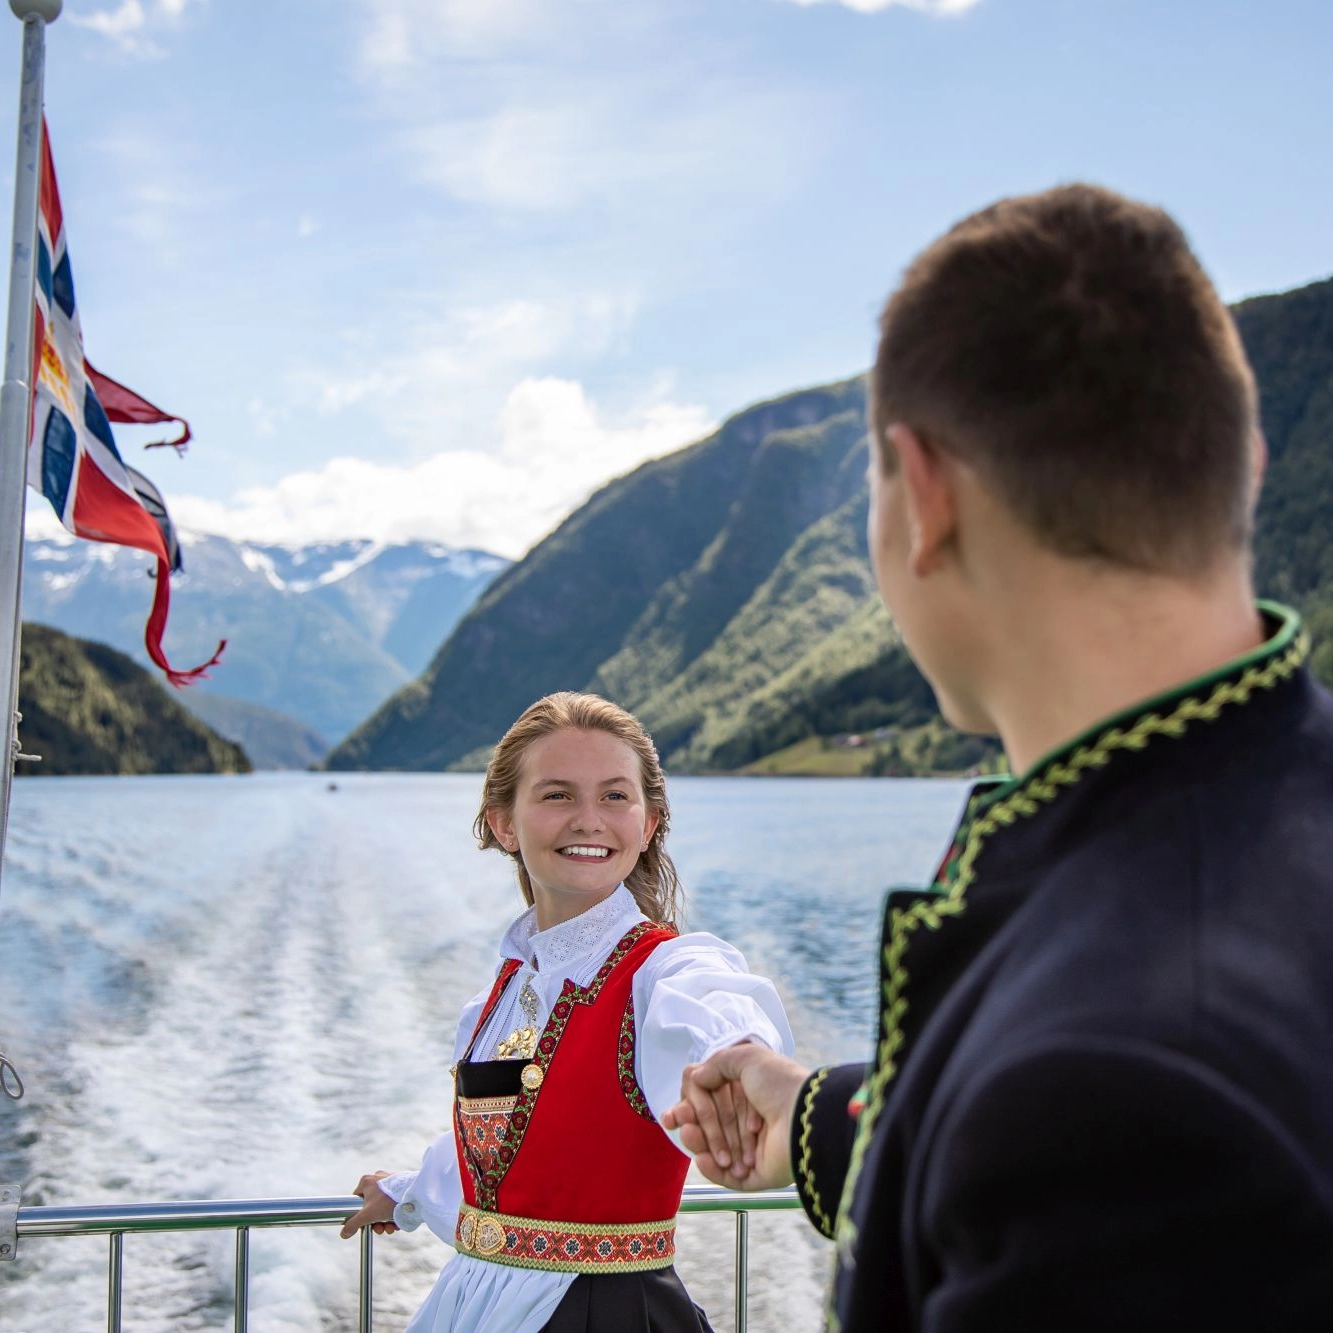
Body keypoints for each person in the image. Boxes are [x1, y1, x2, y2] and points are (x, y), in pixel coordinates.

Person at [663, 184, 1333, 1331]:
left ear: (924, 497)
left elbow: (1088, 1134)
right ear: (1249, 464)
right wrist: (817, 1117)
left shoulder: (1107, 1078)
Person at [341, 691, 793, 1333]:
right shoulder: (495, 1003)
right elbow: (514, 1160)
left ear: (648, 824)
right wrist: (406, 1191)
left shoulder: (664, 971)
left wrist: (742, 1064)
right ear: (504, 824)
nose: (589, 820)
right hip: (476, 1305)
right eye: (557, 795)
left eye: (615, 796)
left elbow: (714, 1014)